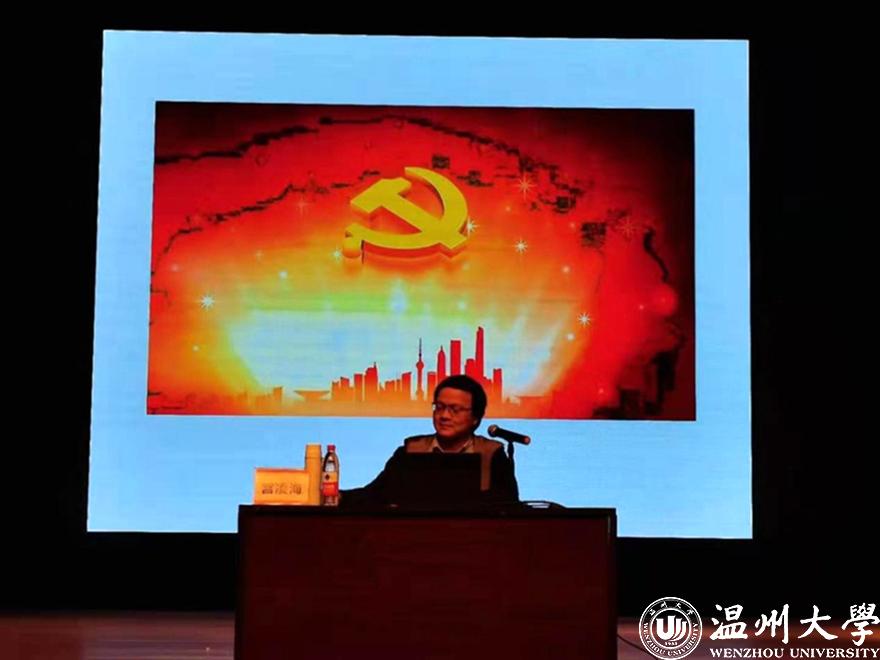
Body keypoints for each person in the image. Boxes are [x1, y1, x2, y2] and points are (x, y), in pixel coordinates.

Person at [341, 375, 519, 507]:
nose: (444, 416)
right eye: (439, 407)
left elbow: (507, 507)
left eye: (455, 409)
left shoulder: (492, 455)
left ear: (475, 418)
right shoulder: (410, 451)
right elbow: (375, 494)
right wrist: (338, 496)